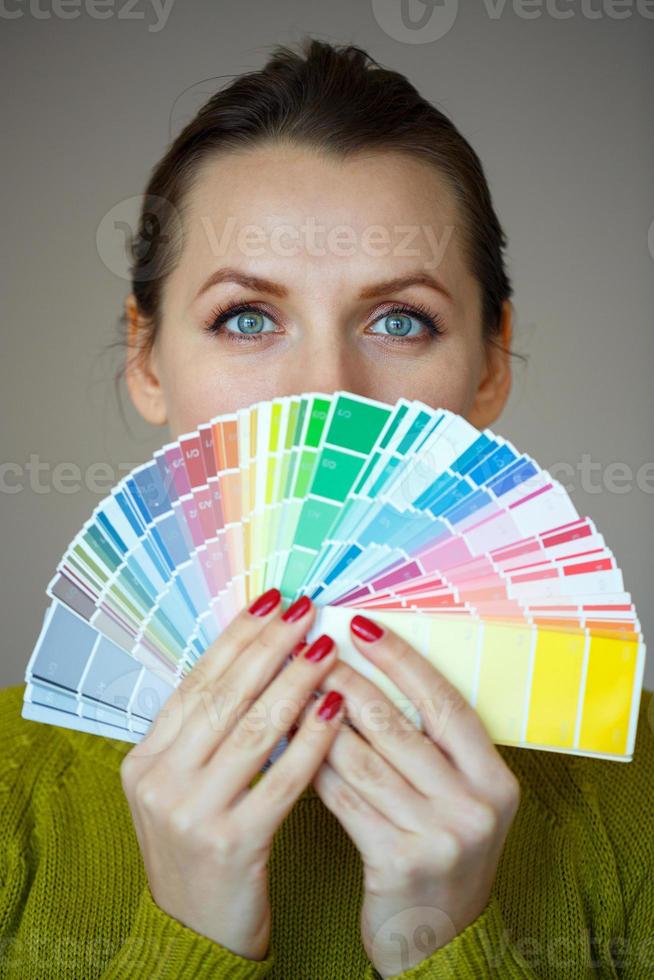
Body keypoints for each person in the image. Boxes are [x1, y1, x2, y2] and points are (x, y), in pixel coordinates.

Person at [1, 37, 652, 979]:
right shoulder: (17, 801)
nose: (326, 393)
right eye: (247, 318)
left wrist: (446, 946)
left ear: (490, 364)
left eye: (400, 321)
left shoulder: (630, 805)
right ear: (147, 358)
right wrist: (183, 935)